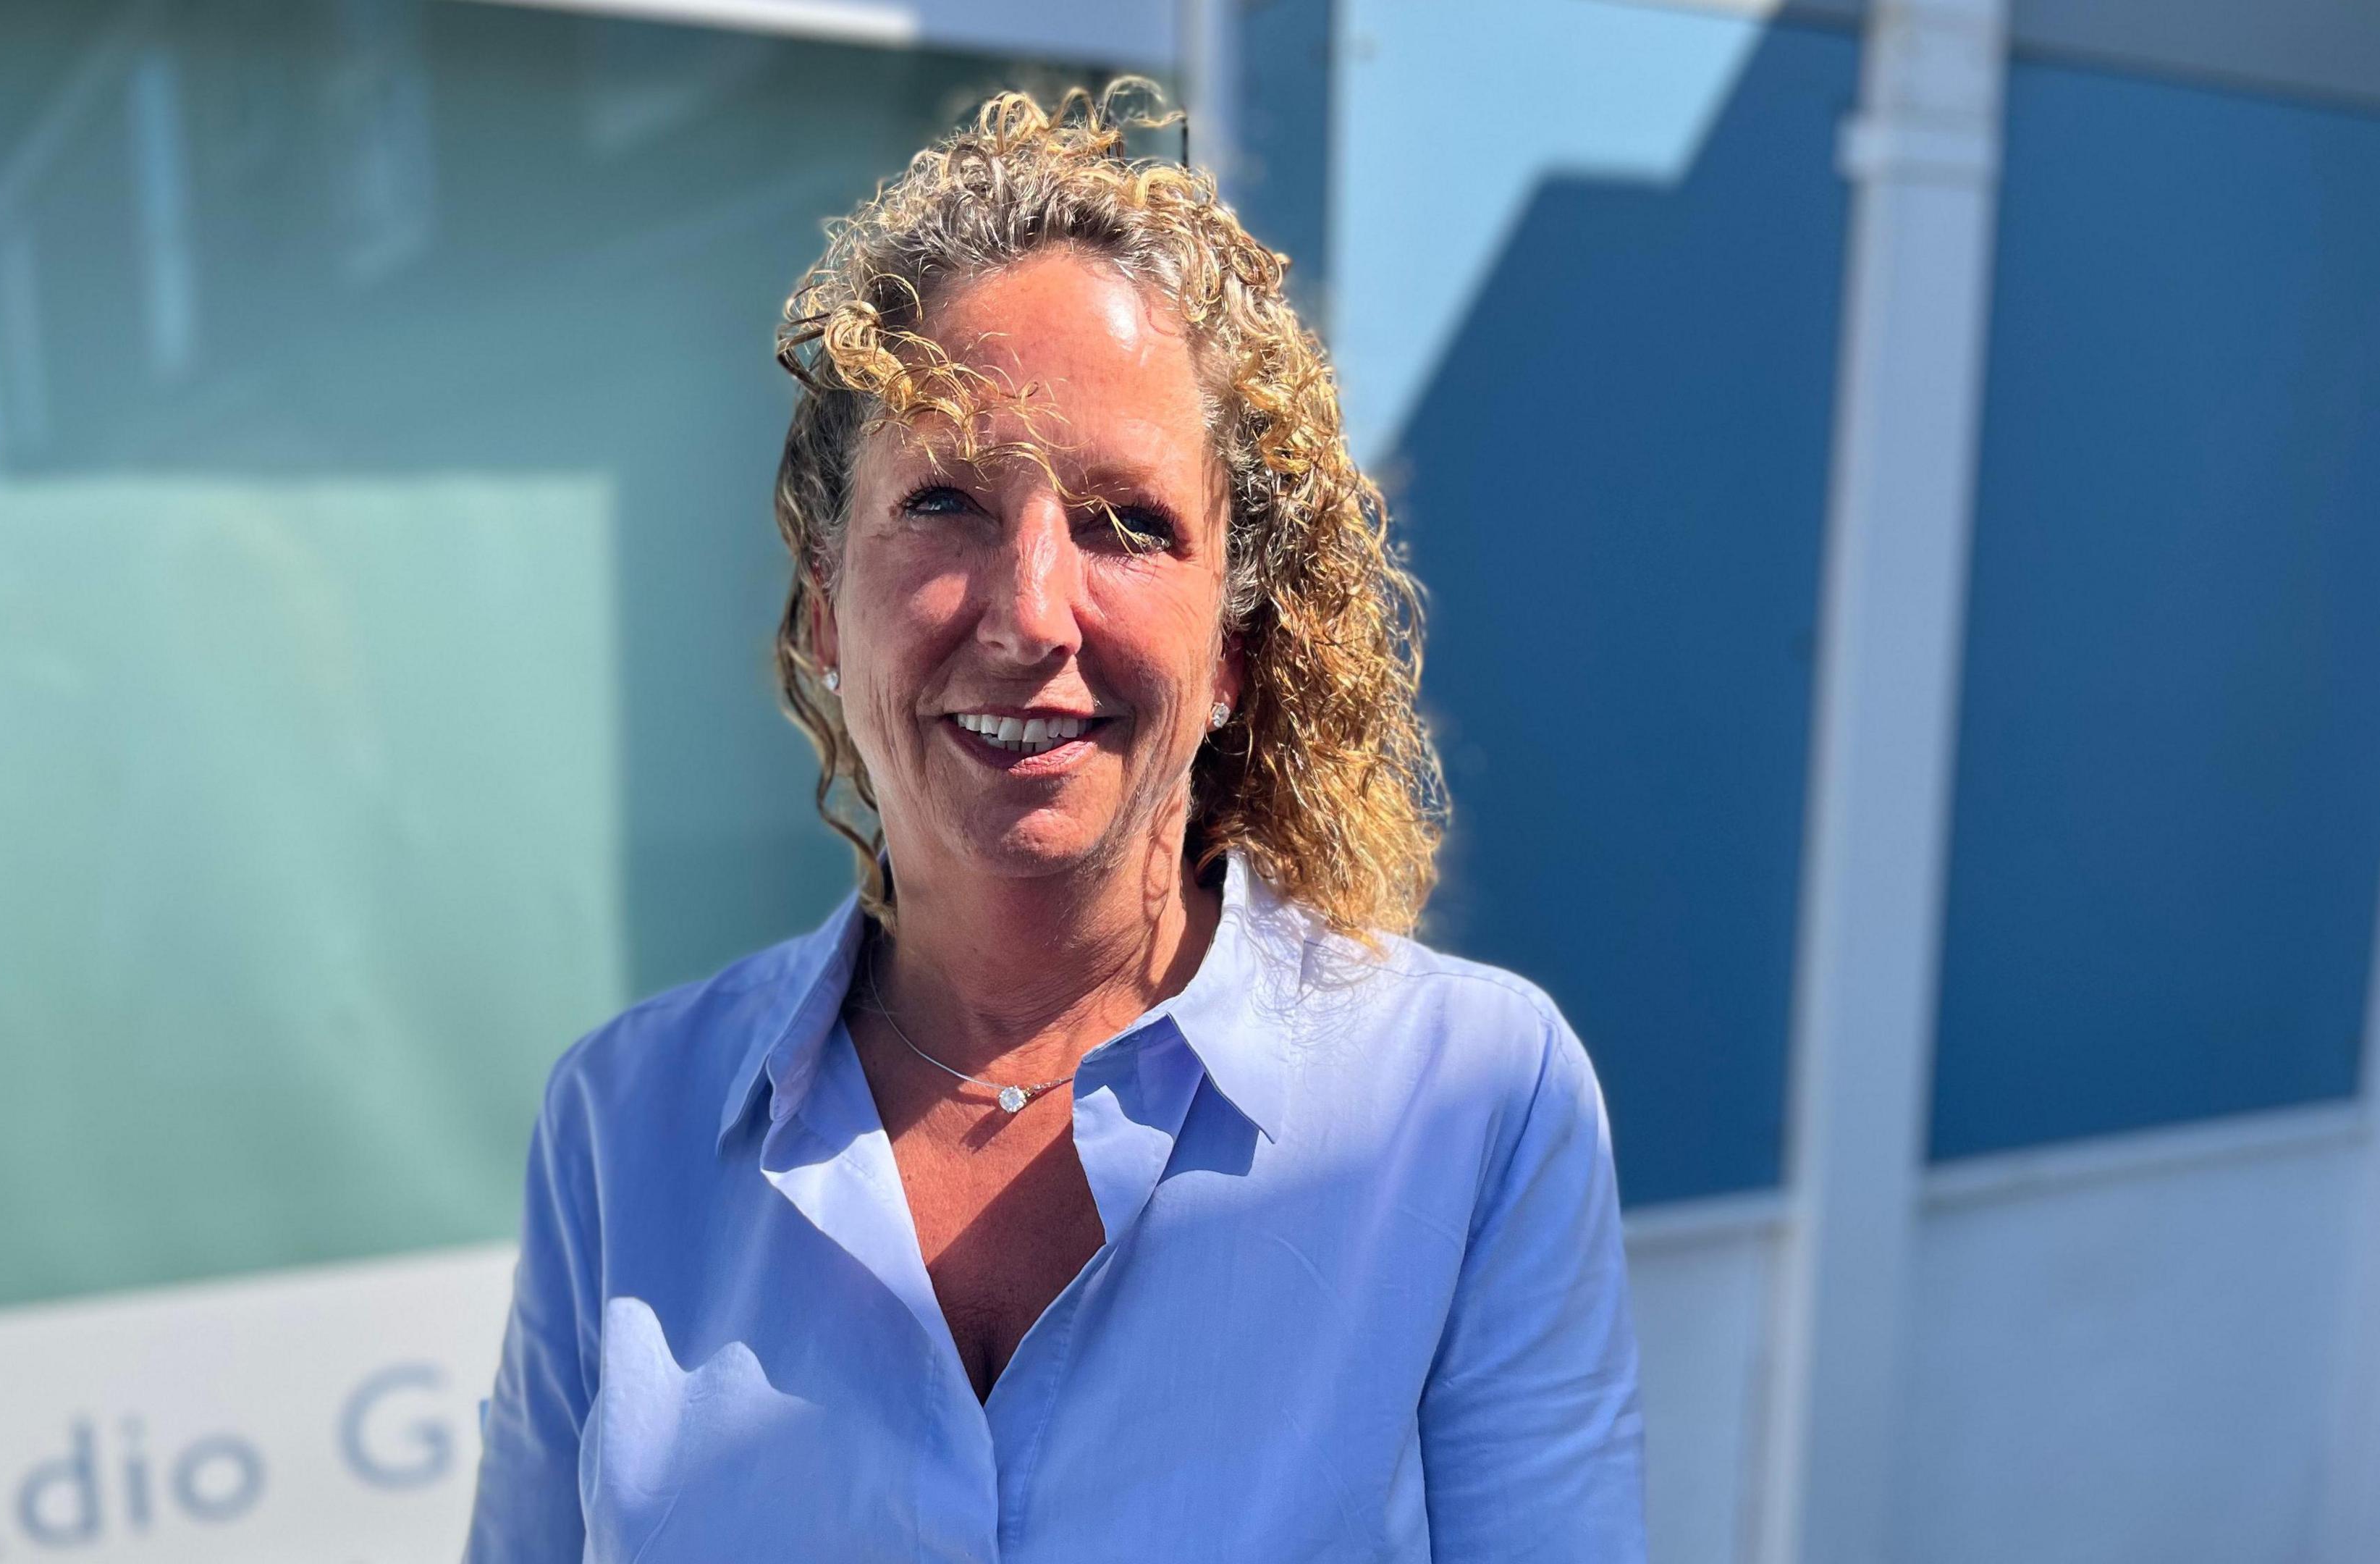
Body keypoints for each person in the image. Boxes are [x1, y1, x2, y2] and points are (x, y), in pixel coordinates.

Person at [465, 84, 1643, 1563]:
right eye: (947, 502)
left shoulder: (1475, 1103)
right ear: (828, 611)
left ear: (1231, 647)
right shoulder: (623, 1128)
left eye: (1127, 523)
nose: (1030, 614)